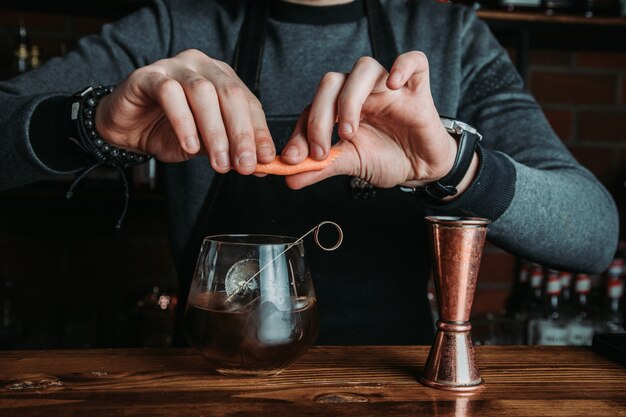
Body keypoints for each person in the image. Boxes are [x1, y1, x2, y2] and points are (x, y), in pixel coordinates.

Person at [0, 0, 618, 345]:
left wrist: (454, 166)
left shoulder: (447, 37)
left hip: (402, 391)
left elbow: (592, 232)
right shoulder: (174, 26)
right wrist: (90, 123)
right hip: (211, 386)